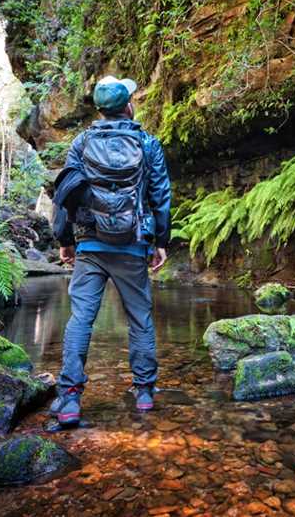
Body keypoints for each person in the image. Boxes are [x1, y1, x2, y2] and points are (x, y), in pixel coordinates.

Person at [49, 75, 171, 428]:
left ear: (101, 109)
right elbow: (160, 196)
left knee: (81, 318)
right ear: (127, 106)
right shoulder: (148, 143)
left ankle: (70, 396)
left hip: (90, 243)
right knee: (140, 318)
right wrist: (160, 241)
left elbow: (64, 195)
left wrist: (65, 241)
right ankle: (145, 391)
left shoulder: (82, 142)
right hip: (132, 244)